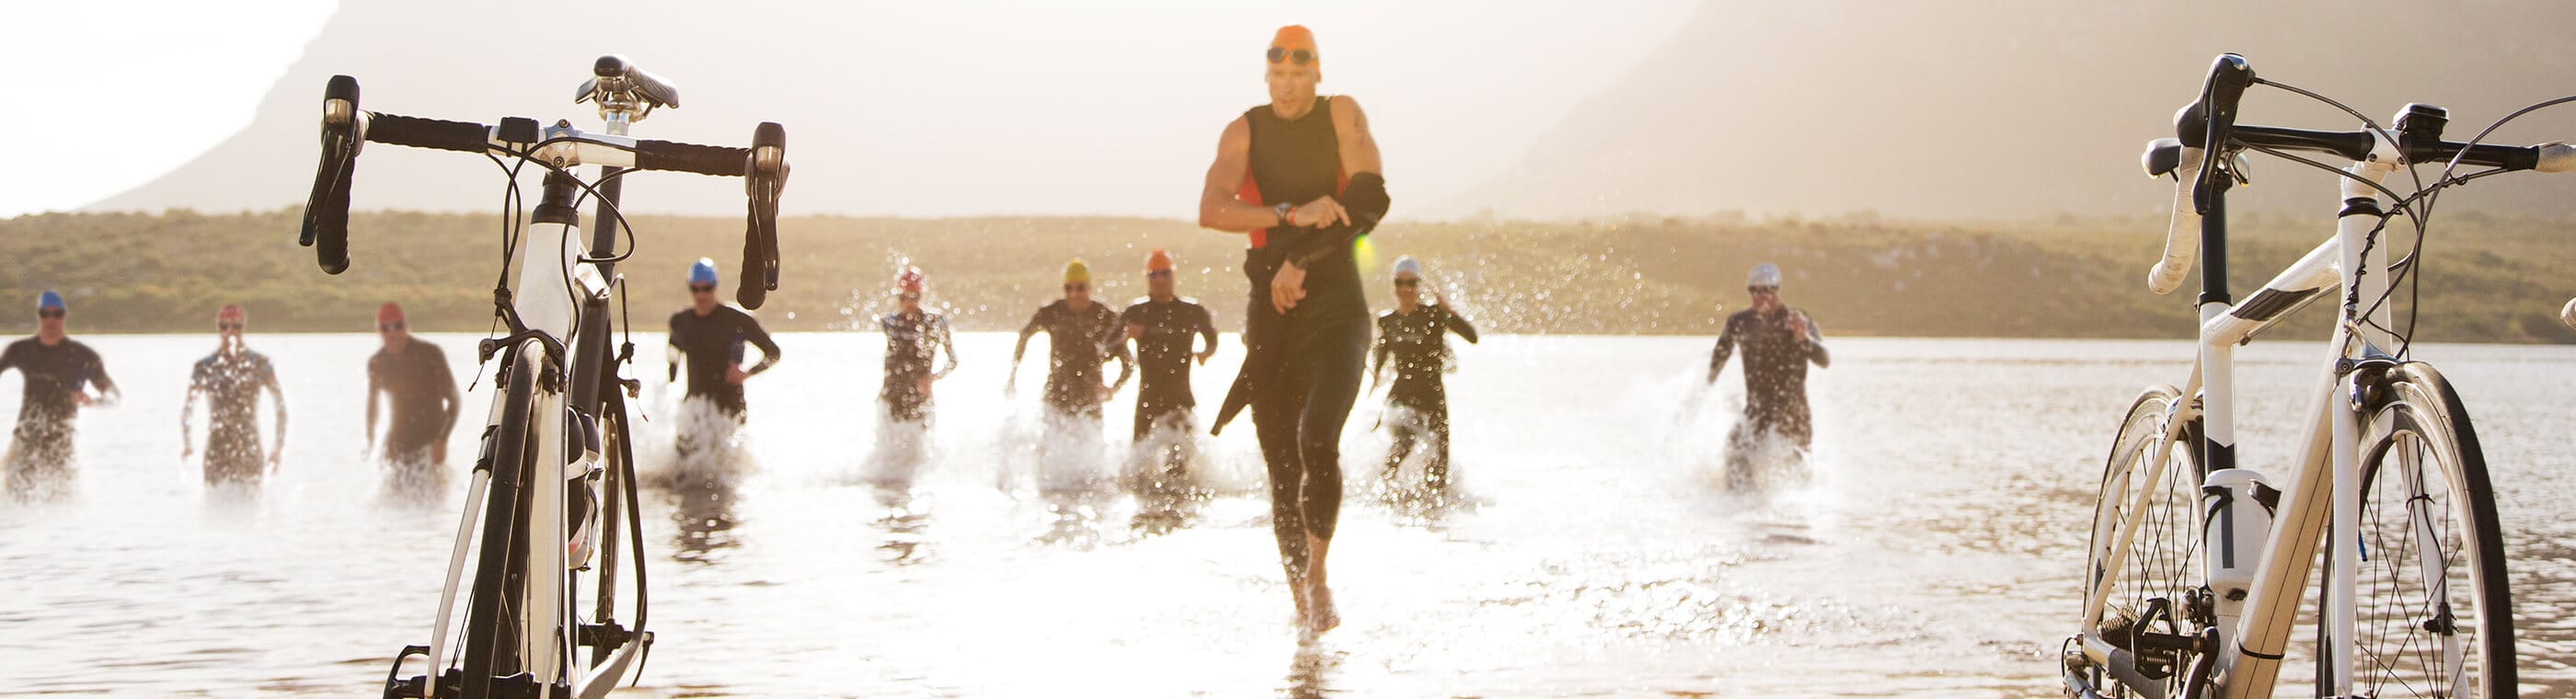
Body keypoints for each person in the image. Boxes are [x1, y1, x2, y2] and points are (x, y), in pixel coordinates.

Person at [1195, 24, 1392, 635]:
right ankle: (1303, 607)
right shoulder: (1244, 131)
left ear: (1317, 74)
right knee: (1283, 470)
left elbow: (1371, 200)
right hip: (1272, 319)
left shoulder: (1341, 115)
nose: (1285, 86)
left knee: (1317, 440)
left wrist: (1301, 257)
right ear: (1267, 75)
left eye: (1297, 75)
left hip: (1336, 309)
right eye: (1277, 75)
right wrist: (1288, 214)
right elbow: (1212, 209)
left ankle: (1318, 575)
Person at [1706, 262, 1831, 483]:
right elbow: (1719, 356)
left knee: (1797, 474)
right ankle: (1739, 502)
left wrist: (1803, 338)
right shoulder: (1740, 322)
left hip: (1793, 414)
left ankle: (1799, 503)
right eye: (1754, 291)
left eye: (1766, 290)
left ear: (1777, 290)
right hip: (1758, 410)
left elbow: (1824, 359)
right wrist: (1705, 387)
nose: (1760, 296)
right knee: (1734, 454)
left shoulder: (1797, 320)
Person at [1369, 256, 1478, 492]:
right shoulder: (1387, 321)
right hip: (1402, 394)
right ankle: (1382, 494)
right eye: (1399, 282)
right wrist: (1374, 376)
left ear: (1418, 285)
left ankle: (1434, 502)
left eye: (1410, 283)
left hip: (1432, 394)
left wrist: (1449, 311)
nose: (1405, 289)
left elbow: (1472, 337)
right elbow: (1380, 356)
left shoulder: (1434, 315)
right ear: (1393, 286)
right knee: (1402, 443)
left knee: (1439, 457)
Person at [0, 291, 119, 498]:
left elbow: (114, 395)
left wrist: (94, 401)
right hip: (25, 437)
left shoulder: (82, 355)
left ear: (64, 316)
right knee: (14, 498)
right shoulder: (21, 350)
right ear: (38, 315)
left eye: (57, 314)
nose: (51, 320)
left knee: (62, 502)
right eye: (45, 314)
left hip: (60, 441)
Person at [1118, 249, 1219, 483]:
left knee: (1180, 474)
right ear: (1147, 277)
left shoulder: (1192, 311)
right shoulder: (1136, 312)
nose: (1160, 279)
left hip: (1180, 401)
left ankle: (1181, 504)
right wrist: (1125, 337)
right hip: (1147, 402)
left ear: (1173, 275)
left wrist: (1206, 352)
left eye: (1165, 273)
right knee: (1138, 474)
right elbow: (1107, 347)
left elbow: (1213, 340)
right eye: (1154, 274)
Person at [667, 258, 782, 459]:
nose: (701, 295)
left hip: (730, 407)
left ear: (716, 287)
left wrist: (747, 373)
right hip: (696, 404)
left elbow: (773, 352)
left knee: (725, 465)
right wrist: (670, 378)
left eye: (707, 288)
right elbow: (673, 352)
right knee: (683, 463)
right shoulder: (680, 322)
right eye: (695, 289)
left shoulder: (737, 319)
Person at [1009, 258, 1134, 424]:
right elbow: (1024, 335)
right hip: (1056, 396)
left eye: (1080, 288)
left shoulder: (1104, 316)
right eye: (1069, 288)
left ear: (1090, 288)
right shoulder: (1053, 312)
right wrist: (1013, 375)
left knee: (1089, 440)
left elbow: (1128, 363)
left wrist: (1113, 389)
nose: (1074, 294)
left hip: (1089, 400)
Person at [181, 304, 287, 487]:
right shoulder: (204, 367)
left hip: (249, 445)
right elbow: (188, 408)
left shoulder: (260, 364)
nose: (230, 332)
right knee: (214, 501)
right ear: (218, 328)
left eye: (236, 326)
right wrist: (187, 444)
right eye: (224, 326)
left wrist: (277, 449)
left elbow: (280, 407)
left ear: (243, 327)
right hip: (217, 447)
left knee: (253, 501)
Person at [366, 302, 461, 475]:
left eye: (398, 326)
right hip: (398, 445)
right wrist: (370, 441)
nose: (392, 333)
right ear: (379, 331)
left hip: (430, 443)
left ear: (407, 327)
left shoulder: (430, 354)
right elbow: (373, 406)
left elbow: (454, 400)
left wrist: (442, 440)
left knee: (436, 486)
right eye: (386, 328)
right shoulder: (377, 363)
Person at [880, 266, 959, 426]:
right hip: (891, 395)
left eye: (914, 297)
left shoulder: (934, 322)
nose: (908, 302)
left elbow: (952, 360)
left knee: (922, 434)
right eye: (903, 297)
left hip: (920, 398)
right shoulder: (889, 322)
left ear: (921, 296)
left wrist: (932, 378)